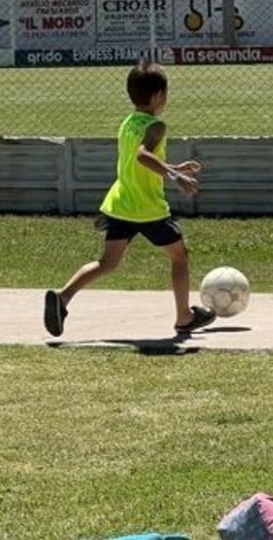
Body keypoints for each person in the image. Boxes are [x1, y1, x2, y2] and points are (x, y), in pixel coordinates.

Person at [43, 61, 216, 338]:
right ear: (159, 97)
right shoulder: (157, 126)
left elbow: (142, 159)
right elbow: (142, 156)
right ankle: (184, 318)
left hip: (122, 204)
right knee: (180, 257)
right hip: (146, 208)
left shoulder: (128, 122)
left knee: (107, 263)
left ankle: (62, 298)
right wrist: (175, 177)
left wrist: (174, 167)